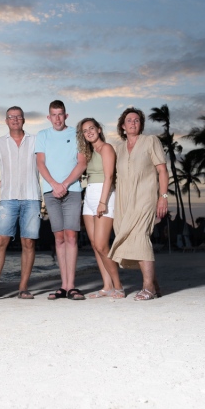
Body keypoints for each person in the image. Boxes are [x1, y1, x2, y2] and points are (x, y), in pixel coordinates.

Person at [0, 106, 41, 300]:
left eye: (18, 116)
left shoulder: (36, 141)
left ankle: (23, 288)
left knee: (28, 242)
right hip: (8, 198)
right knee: (0, 241)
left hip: (32, 197)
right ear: (6, 121)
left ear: (24, 120)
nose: (14, 119)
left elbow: (46, 163)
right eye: (10, 117)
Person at [109, 107, 169, 301]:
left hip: (145, 196)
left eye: (136, 120)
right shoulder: (118, 149)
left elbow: (162, 170)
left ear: (140, 124)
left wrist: (163, 196)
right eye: (129, 120)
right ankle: (155, 286)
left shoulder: (151, 141)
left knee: (141, 236)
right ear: (122, 126)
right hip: (124, 200)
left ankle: (148, 288)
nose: (133, 123)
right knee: (128, 238)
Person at [35, 100, 87, 301]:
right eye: (53, 115)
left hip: (72, 190)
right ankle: (63, 286)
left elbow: (81, 163)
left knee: (71, 236)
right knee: (59, 238)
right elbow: (40, 163)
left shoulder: (76, 134)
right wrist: (54, 185)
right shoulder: (43, 135)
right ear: (49, 117)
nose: (57, 118)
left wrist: (64, 184)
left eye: (60, 114)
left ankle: (71, 286)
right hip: (51, 192)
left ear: (66, 115)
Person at [76, 118, 124, 299]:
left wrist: (103, 202)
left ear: (99, 128)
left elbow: (109, 176)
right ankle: (107, 286)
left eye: (91, 128)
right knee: (95, 246)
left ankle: (118, 286)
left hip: (104, 195)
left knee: (103, 245)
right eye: (85, 130)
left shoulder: (106, 148)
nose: (89, 132)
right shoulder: (88, 152)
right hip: (89, 196)